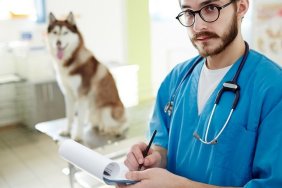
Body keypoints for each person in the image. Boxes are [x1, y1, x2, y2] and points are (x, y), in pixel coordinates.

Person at [118, 0, 282, 187]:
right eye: (188, 12)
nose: (198, 26)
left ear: (241, 6)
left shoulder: (273, 88)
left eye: (210, 8)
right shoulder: (176, 79)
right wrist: (155, 158)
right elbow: (161, 146)